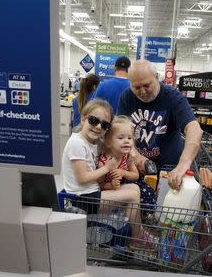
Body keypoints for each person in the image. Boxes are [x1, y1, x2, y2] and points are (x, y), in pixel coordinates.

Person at [62, 99, 156, 249]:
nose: (98, 127)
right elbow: (82, 178)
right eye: (94, 121)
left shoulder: (92, 141)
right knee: (132, 195)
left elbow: (112, 145)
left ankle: (138, 232)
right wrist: (107, 168)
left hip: (93, 193)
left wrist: (130, 150)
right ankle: (137, 237)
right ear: (83, 118)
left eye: (105, 124)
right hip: (83, 198)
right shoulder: (77, 143)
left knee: (135, 189)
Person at [117, 59, 203, 190]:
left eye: (146, 85)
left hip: (169, 169)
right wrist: (135, 155)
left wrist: (183, 165)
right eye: (137, 87)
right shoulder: (126, 97)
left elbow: (194, 129)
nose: (142, 91)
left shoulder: (173, 97)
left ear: (157, 77)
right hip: (136, 168)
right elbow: (119, 131)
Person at [98, 115, 157, 212]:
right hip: (111, 191)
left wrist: (124, 172)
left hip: (126, 184)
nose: (126, 141)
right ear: (108, 142)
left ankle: (147, 214)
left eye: (129, 138)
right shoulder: (104, 162)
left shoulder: (126, 156)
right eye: (121, 138)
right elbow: (100, 184)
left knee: (148, 191)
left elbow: (135, 175)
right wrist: (111, 185)